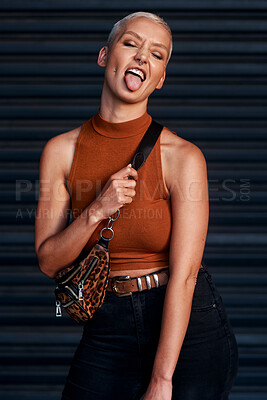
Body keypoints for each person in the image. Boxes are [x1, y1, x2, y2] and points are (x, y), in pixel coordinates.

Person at [35, 11, 239, 400]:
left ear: (160, 79)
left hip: (188, 326)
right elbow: (49, 261)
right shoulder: (60, 152)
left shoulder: (182, 156)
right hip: (106, 321)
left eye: (157, 54)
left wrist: (163, 379)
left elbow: (186, 275)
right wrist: (97, 208)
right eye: (132, 44)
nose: (143, 57)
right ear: (104, 55)